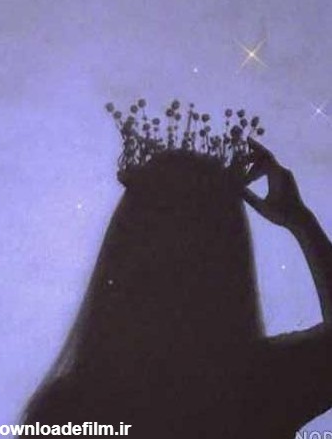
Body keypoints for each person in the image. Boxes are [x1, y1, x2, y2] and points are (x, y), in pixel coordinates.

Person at [20, 138, 332, 438]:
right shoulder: (267, 387)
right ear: (227, 252)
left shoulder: (64, 412)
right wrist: (301, 222)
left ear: (123, 247)